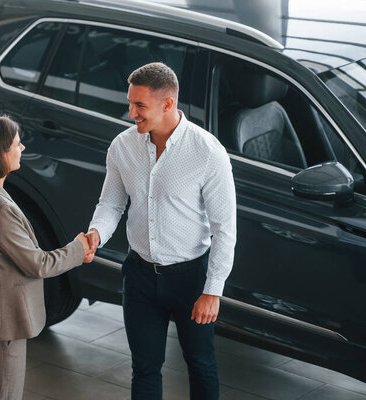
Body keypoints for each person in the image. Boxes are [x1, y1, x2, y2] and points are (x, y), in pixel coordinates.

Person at [85, 62, 237, 400]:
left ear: (168, 104)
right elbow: (111, 204)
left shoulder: (208, 153)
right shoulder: (122, 147)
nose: (131, 114)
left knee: (200, 364)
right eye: (130, 103)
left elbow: (224, 229)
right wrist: (96, 233)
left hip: (191, 281)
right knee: (144, 368)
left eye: (140, 106)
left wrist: (212, 291)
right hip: (139, 277)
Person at [0, 113, 93, 400]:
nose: (22, 148)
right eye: (17, 144)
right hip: (3, 323)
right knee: (4, 394)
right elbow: (38, 264)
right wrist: (79, 249)